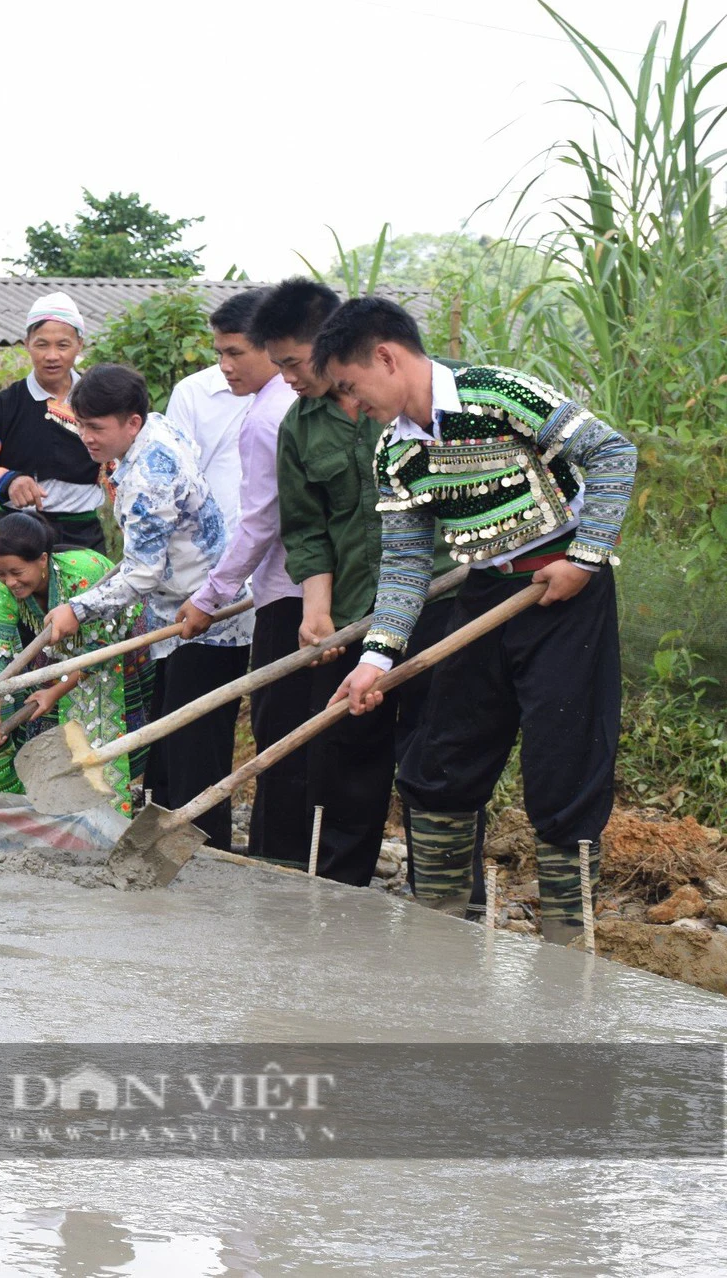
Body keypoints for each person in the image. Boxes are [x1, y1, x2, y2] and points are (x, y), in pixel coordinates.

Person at [321, 298, 634, 942]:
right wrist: (375, 660)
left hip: (567, 599)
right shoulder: (395, 454)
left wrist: (583, 557)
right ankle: (443, 935)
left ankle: (569, 953)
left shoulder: (500, 394)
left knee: (564, 767)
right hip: (487, 596)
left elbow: (613, 454)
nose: (350, 406)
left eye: (350, 388)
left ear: (386, 356)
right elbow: (406, 564)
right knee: (439, 763)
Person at [258, 278, 462, 888]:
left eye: (293, 362)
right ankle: (338, 890)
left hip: (444, 599)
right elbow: (307, 528)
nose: (289, 377)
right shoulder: (299, 426)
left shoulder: (422, 396)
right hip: (352, 612)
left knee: (441, 748)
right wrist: (315, 612)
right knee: (347, 749)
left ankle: (446, 895)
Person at [41, 364, 247, 849]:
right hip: (177, 614)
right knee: (168, 746)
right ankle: (163, 847)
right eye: (81, 425)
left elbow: (142, 574)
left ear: (132, 422)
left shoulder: (150, 475)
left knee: (194, 750)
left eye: (97, 428)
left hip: (207, 618)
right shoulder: (151, 433)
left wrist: (77, 608)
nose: (86, 438)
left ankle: (206, 860)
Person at [175, 290, 318, 862]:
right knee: (299, 732)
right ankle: (303, 858)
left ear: (272, 348)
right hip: (313, 590)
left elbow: (261, 524)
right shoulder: (303, 402)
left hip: (288, 597)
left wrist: (210, 597)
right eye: (218, 353)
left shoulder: (266, 416)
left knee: (280, 732)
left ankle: (277, 864)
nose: (225, 366)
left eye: (235, 352)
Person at [0, 512, 150, 812]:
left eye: (16, 572)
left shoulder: (84, 574)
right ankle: (59, 813)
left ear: (42, 560)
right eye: (1, 573)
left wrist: (55, 691)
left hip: (114, 643)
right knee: (47, 725)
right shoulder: (4, 592)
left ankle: (110, 814)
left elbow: (100, 648)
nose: (9, 582)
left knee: (104, 721)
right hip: (59, 653)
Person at [0, 292, 107, 553]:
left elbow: (120, 461)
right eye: (42, 345)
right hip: (16, 537)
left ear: (80, 344)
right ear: (27, 344)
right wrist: (9, 481)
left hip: (83, 535)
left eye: (63, 345)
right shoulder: (3, 405)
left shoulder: (100, 401)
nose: (52, 356)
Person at [165, 362, 248, 537]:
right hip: (208, 541)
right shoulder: (191, 392)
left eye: (235, 353)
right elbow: (176, 474)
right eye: (222, 353)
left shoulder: (288, 388)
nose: (226, 364)